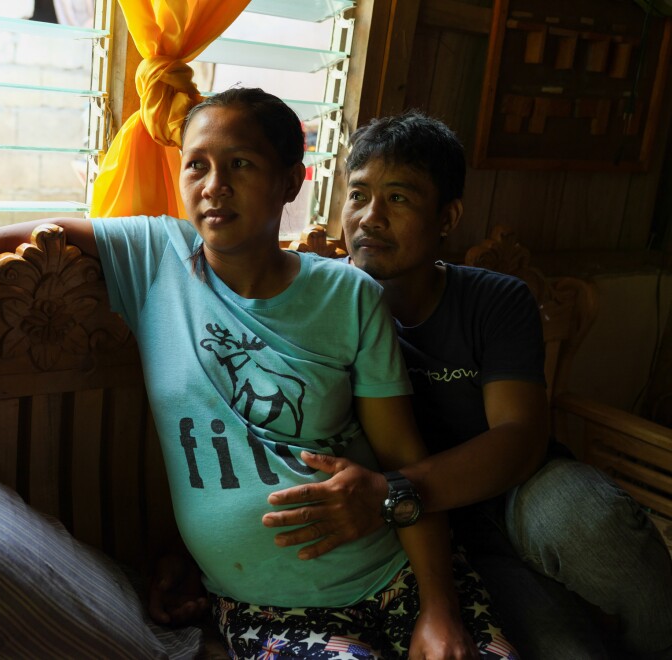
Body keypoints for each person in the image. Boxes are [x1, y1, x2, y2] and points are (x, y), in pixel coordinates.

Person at [0, 88, 515, 658]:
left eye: (241, 165)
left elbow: (402, 462)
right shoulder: (158, 259)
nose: (213, 185)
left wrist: (440, 609)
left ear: (291, 182)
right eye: (196, 164)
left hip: (390, 572)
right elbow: (18, 238)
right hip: (269, 605)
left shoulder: (350, 296)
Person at [261, 110, 672, 659]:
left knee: (592, 522)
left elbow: (518, 439)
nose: (369, 218)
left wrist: (393, 490)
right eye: (357, 195)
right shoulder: (320, 313)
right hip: (431, 537)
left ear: (448, 217)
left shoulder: (494, 300)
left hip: (521, 495)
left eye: (399, 199)